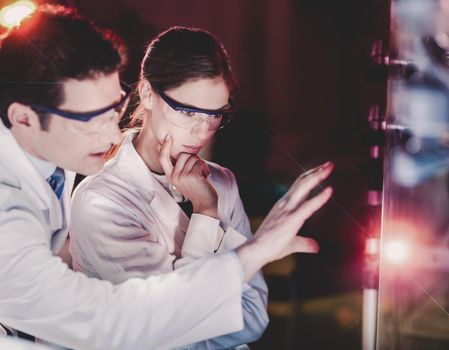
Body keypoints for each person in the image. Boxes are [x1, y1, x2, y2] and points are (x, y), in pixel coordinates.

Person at [0, 5, 333, 350]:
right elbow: (121, 324)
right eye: (91, 118)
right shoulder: (31, 204)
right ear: (24, 119)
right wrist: (246, 247)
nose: (115, 135)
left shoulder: (59, 161)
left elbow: (251, 318)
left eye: (115, 108)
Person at [69, 27, 269, 350]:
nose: (202, 131)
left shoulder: (223, 183)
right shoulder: (100, 202)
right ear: (147, 93)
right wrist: (205, 213)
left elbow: (255, 316)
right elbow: (173, 334)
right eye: (188, 111)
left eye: (215, 114)